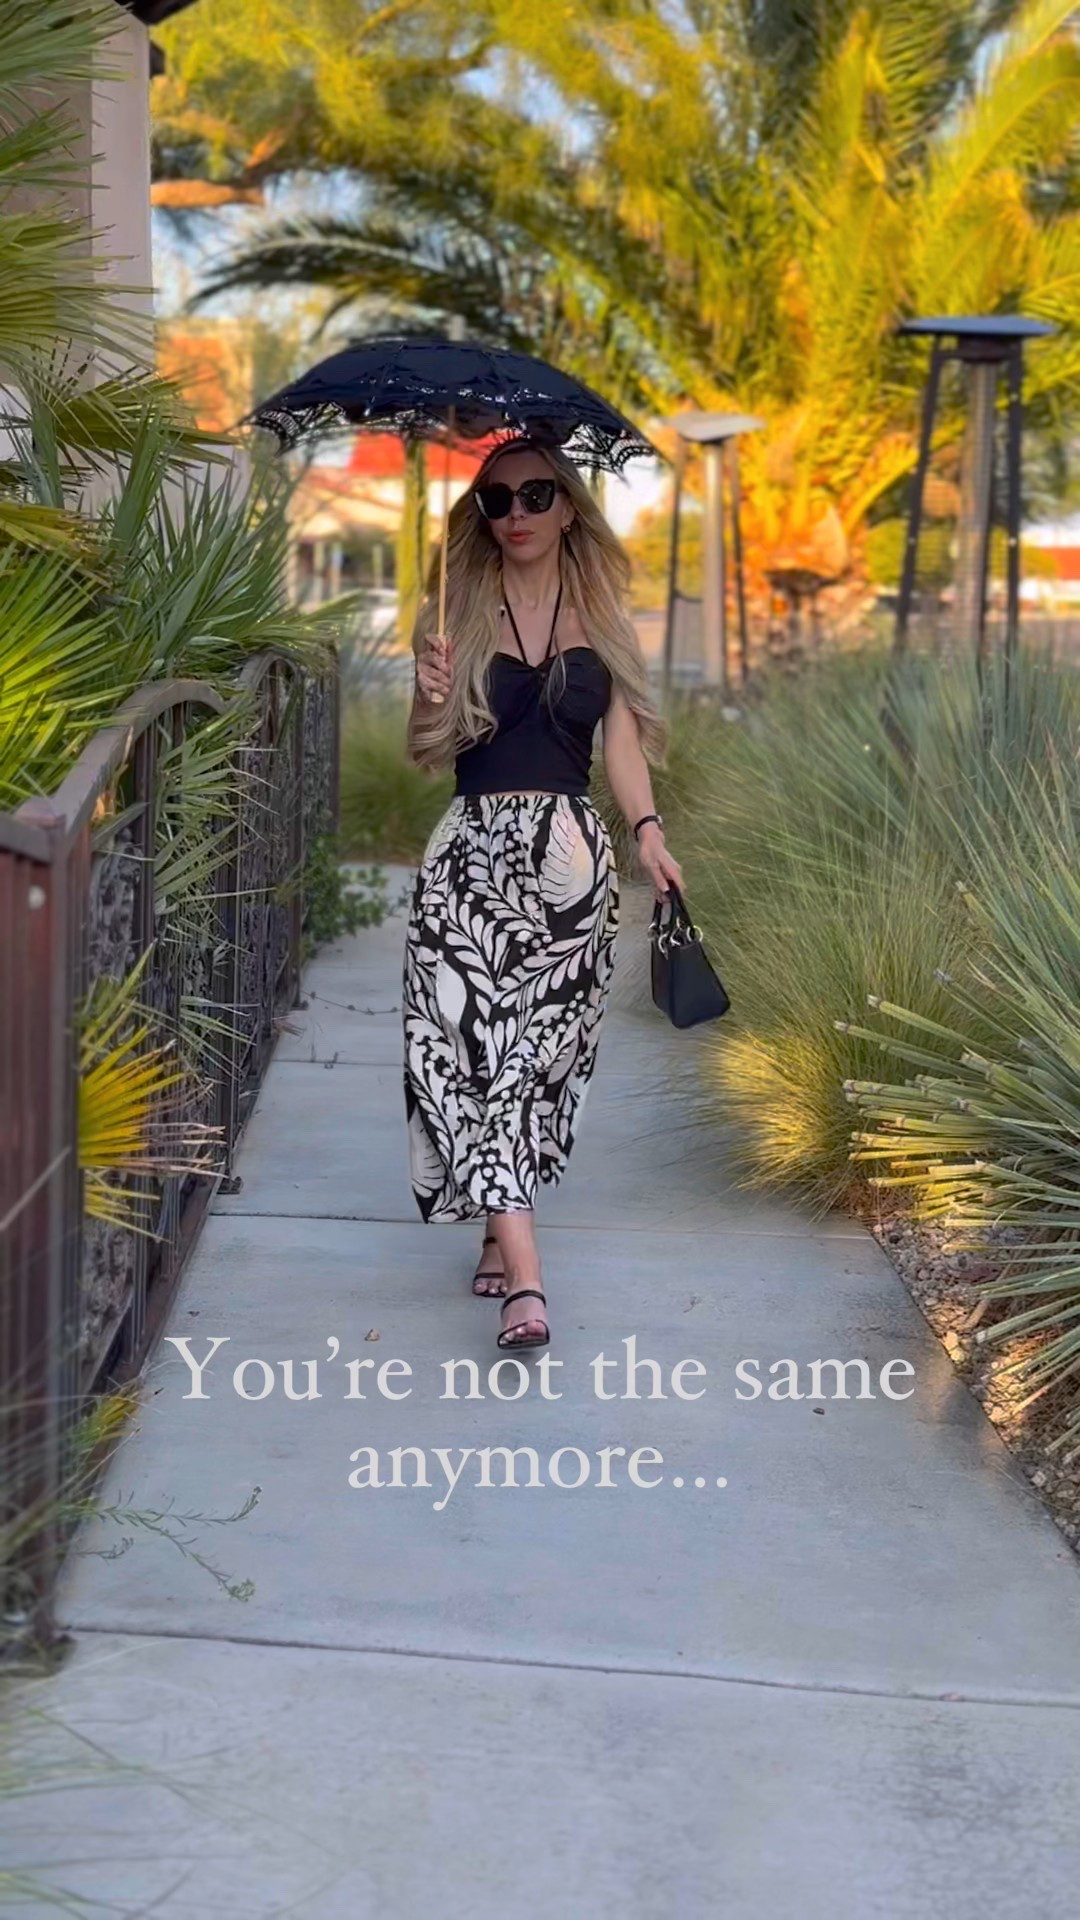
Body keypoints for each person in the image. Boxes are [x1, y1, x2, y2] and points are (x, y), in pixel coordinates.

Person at [402, 433, 684, 1351]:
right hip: (469, 860)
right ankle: (527, 1278)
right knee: (473, 1052)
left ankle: (497, 1215)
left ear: (568, 507)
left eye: (533, 495)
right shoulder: (455, 613)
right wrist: (428, 691)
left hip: (569, 864)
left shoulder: (601, 616)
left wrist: (648, 836)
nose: (515, 514)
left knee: (537, 1061)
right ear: (479, 517)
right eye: (497, 501)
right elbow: (426, 752)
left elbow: (625, 749)